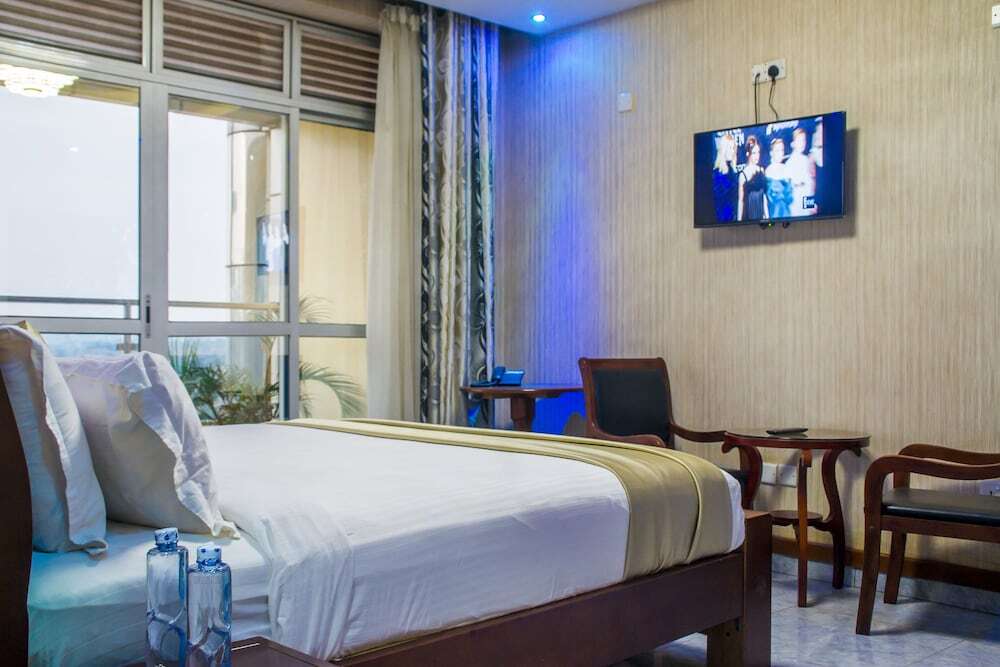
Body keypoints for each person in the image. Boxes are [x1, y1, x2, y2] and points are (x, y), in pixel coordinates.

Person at [785, 127, 816, 216]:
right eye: (799, 140)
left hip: (806, 202)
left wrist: (810, 206)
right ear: (793, 143)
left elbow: (810, 186)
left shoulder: (807, 160)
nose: (802, 143)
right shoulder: (789, 163)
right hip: (795, 205)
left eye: (803, 140)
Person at [737, 136, 767, 221]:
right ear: (748, 153)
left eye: (758, 152)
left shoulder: (761, 170)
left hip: (760, 217)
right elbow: (740, 201)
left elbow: (764, 196)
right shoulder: (743, 175)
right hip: (748, 216)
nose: (757, 156)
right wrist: (739, 222)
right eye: (754, 153)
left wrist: (767, 216)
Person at [765, 136, 793, 220]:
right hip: (775, 214)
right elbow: (772, 197)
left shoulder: (786, 168)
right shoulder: (769, 171)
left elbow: (790, 197)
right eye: (777, 150)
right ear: (771, 153)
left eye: (782, 150)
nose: (780, 153)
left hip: (788, 213)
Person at [712, 133, 738, 222]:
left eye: (733, 148)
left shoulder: (732, 170)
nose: (732, 151)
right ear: (723, 149)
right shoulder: (717, 174)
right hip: (723, 217)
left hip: (734, 217)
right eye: (730, 148)